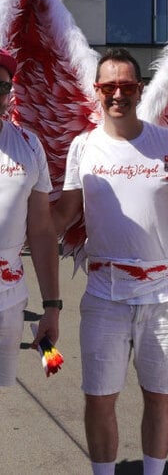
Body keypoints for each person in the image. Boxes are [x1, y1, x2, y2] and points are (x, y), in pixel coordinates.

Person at [54, 48, 168, 475]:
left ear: (139, 90)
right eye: (109, 87)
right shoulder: (83, 147)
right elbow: (63, 214)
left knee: (159, 394)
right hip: (105, 293)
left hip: (166, 293)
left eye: (126, 86)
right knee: (98, 396)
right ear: (96, 91)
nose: (118, 94)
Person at [0, 49, 61, 386]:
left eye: (1, 86)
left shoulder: (27, 143)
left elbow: (40, 230)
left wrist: (52, 305)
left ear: (9, 93)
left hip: (8, 298)